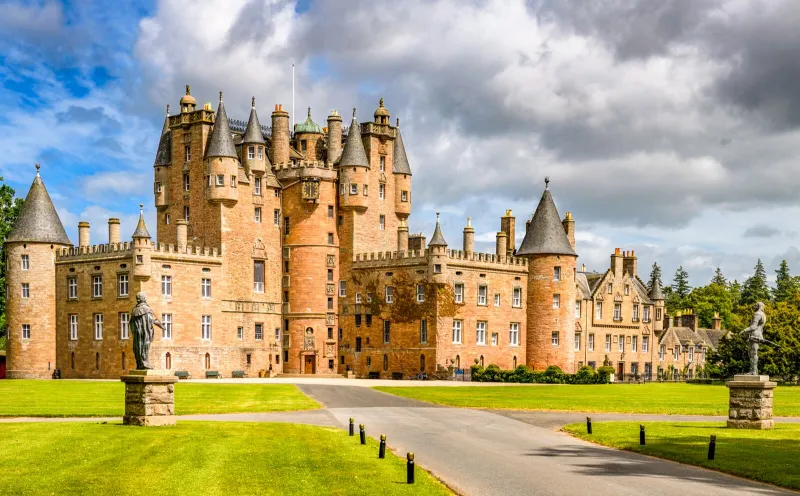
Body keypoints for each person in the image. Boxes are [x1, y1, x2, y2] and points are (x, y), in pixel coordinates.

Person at [130, 292, 163, 370]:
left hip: (137, 334)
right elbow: (151, 320)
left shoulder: (134, 310)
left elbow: (131, 323)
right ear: (143, 299)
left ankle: (139, 364)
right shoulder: (146, 309)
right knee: (145, 345)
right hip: (144, 333)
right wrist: (161, 325)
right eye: (145, 298)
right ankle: (145, 363)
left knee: (138, 346)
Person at [739, 301, 766, 375]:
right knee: (753, 353)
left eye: (756, 305)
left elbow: (753, 326)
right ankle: (754, 370)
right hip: (759, 334)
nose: (754, 306)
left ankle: (753, 371)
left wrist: (744, 330)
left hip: (755, 334)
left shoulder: (757, 314)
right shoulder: (763, 315)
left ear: (759, 306)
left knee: (752, 353)